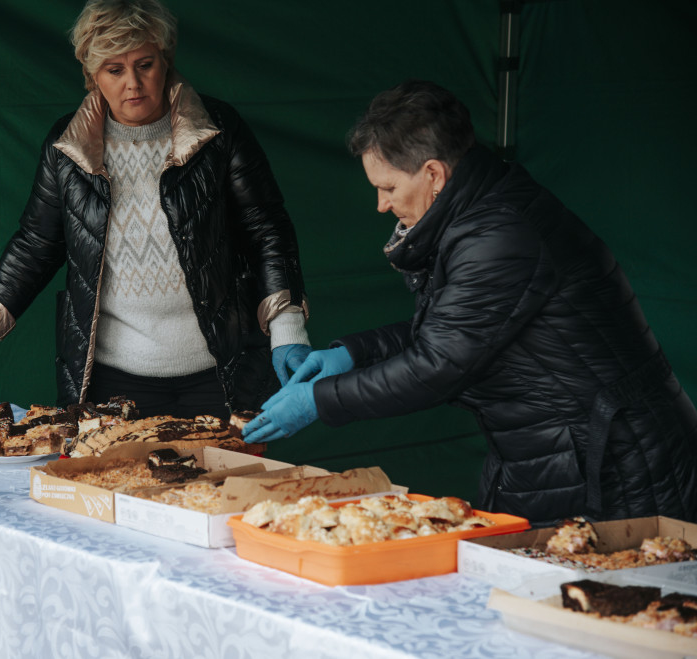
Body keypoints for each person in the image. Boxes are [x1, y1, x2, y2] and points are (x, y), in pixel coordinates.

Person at [244, 79, 697, 525]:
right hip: (558, 450)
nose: (381, 205)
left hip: (613, 460)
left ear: (434, 174)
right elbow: (452, 327)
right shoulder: (479, 209)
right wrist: (352, 353)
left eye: (388, 188)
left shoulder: (500, 233)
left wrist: (319, 401)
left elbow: (437, 365)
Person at [0, 0, 310, 418]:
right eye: (114, 70)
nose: (132, 84)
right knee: (109, 485)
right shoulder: (67, 146)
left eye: (145, 65)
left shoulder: (219, 130)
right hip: (110, 379)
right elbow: (37, 243)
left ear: (166, 60)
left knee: (223, 486)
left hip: (221, 371)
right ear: (91, 75)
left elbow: (267, 229)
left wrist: (288, 328)